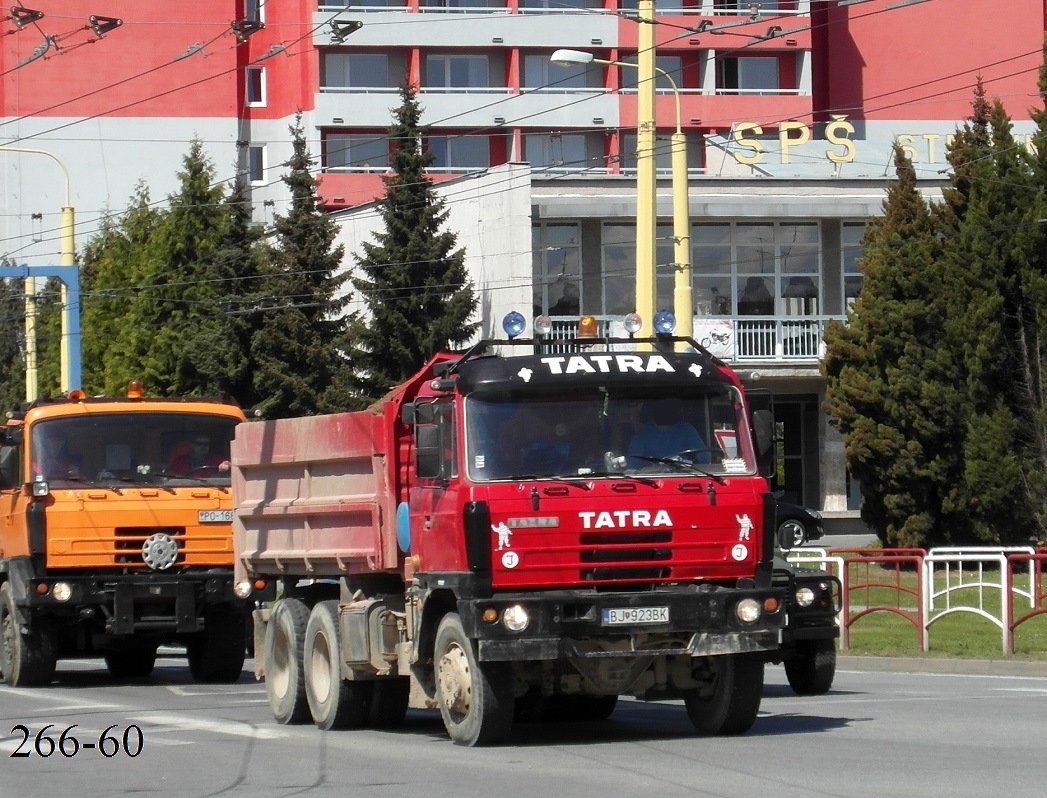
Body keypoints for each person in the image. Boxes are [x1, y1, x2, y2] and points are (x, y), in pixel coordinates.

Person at [626, 399, 709, 467]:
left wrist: (685, 463)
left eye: (669, 408)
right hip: (650, 480)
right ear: (654, 410)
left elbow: (704, 460)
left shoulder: (687, 430)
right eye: (661, 407)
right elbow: (632, 467)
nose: (665, 411)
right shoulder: (642, 436)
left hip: (682, 477)